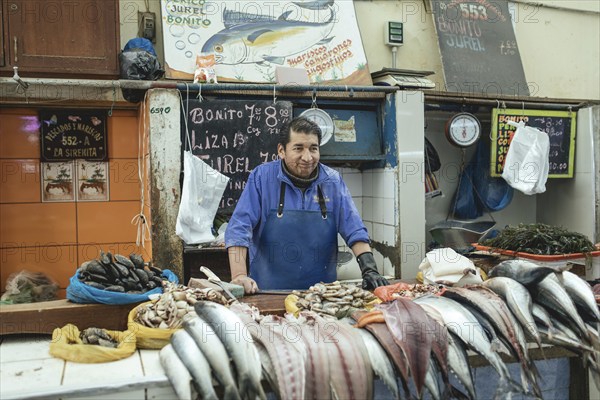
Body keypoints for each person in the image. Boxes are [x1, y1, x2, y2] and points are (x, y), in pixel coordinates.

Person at [225, 116, 389, 294]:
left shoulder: (332, 181)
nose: (307, 157)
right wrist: (240, 275)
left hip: (322, 294)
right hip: (267, 292)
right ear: (281, 150)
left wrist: (369, 269)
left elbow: (354, 229)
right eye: (298, 148)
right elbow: (238, 228)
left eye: (313, 148)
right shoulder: (261, 177)